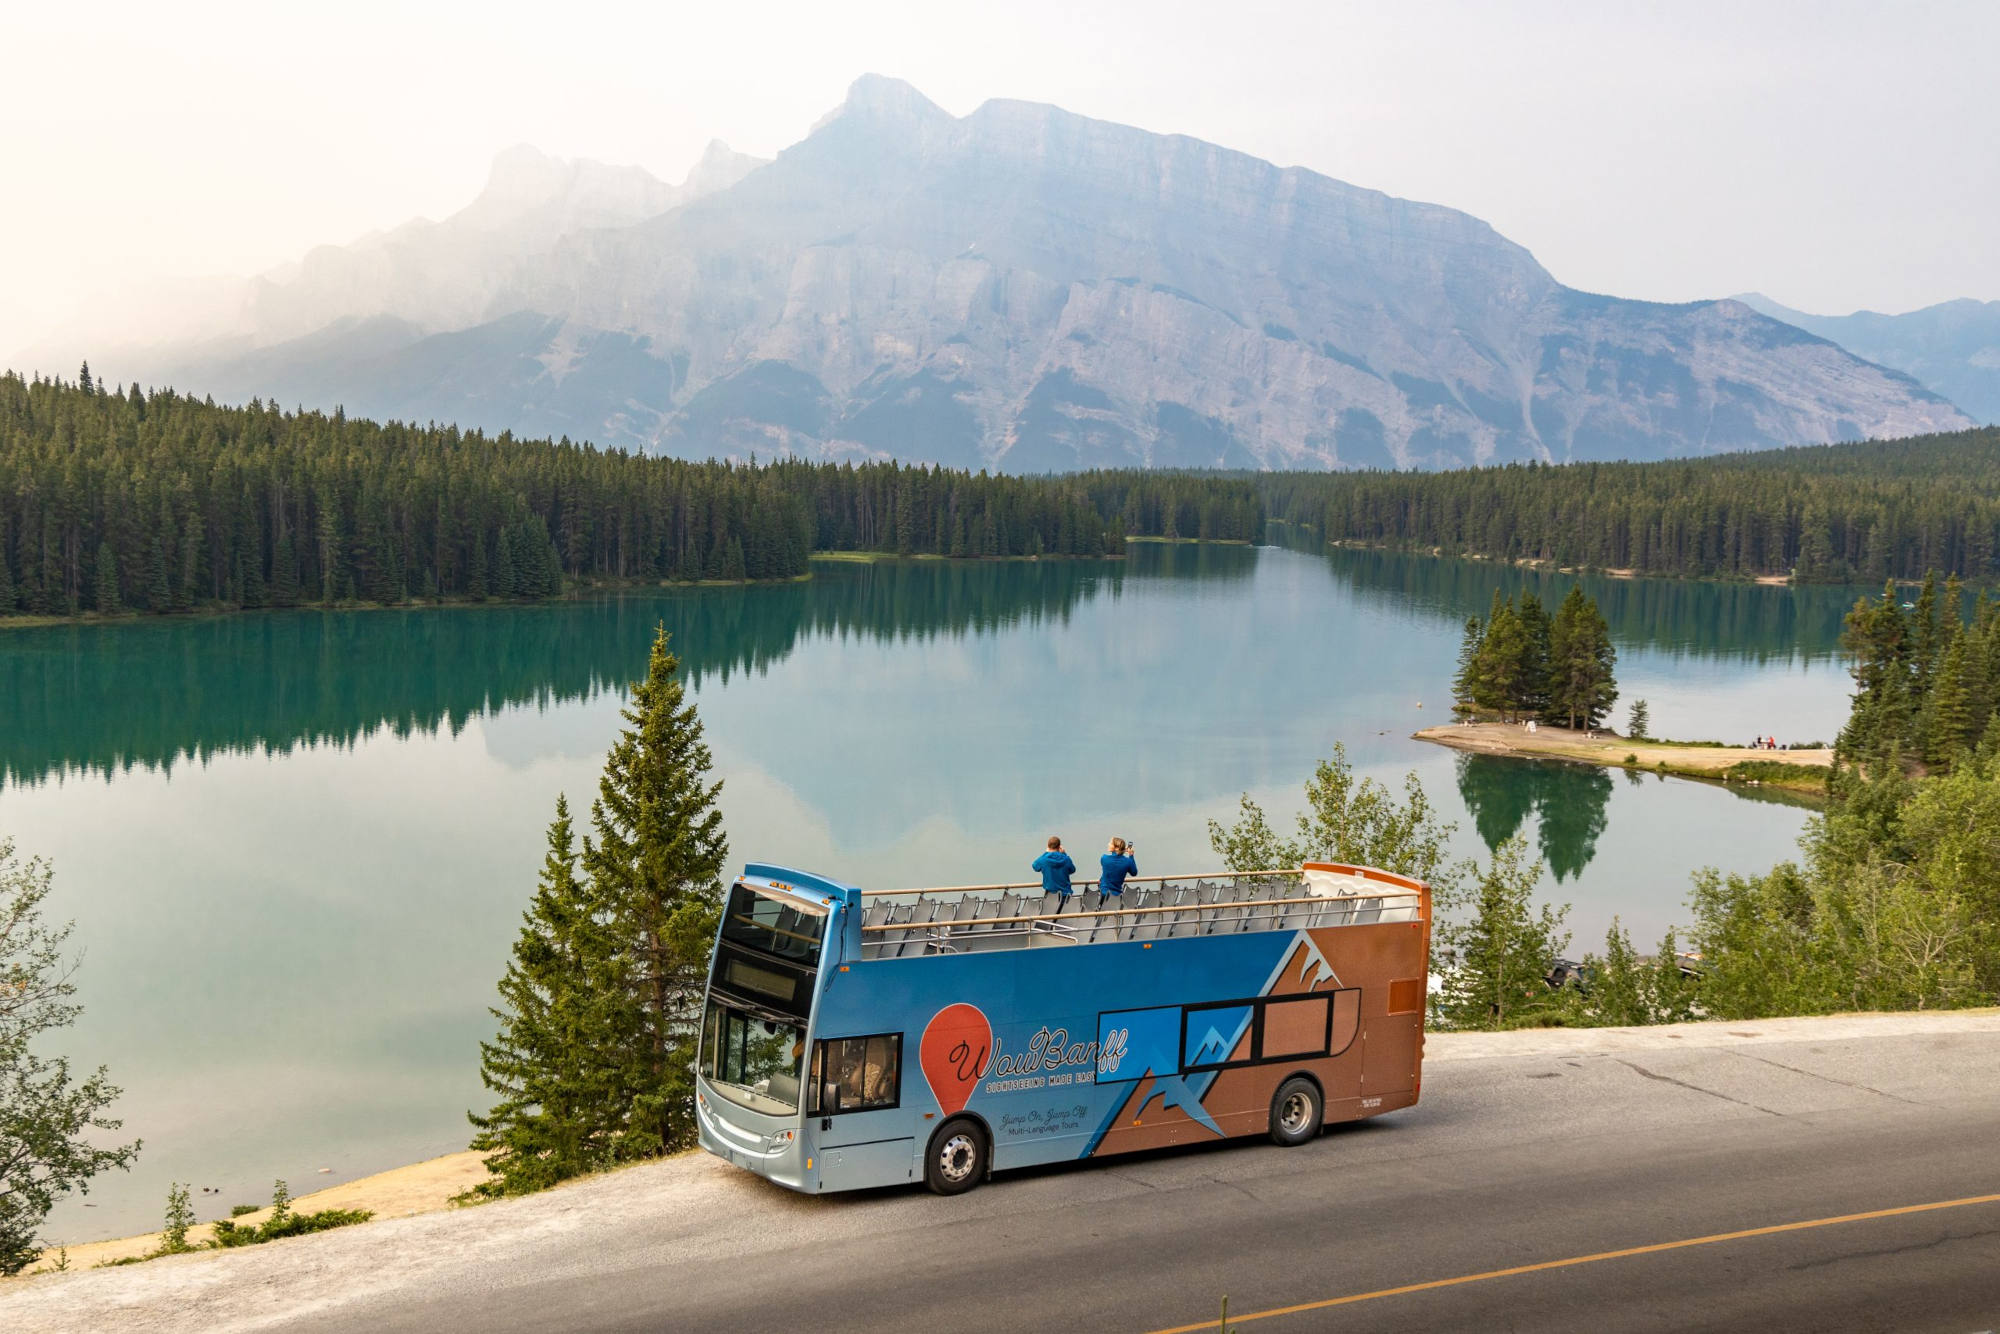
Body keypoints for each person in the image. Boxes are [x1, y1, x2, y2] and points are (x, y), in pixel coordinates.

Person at [1032, 836, 1077, 908]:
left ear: (1048, 846)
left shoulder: (1044, 859)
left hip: (1051, 896)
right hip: (1066, 895)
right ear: (1059, 847)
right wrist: (1064, 854)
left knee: (1051, 916)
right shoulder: (1066, 859)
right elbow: (1072, 870)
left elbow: (1035, 866)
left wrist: (1045, 853)